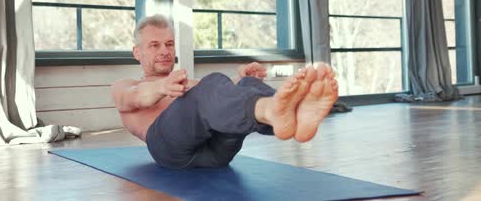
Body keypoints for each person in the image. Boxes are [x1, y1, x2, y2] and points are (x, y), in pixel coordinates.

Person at [112, 14, 338, 169]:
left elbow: (217, 98)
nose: (165, 51)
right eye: (154, 45)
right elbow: (136, 97)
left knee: (245, 85)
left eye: (169, 44)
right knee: (210, 85)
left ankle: (296, 117)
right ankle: (273, 110)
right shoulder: (123, 85)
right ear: (137, 52)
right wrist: (162, 87)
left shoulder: (185, 83)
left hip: (217, 154)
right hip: (171, 151)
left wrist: (241, 76)